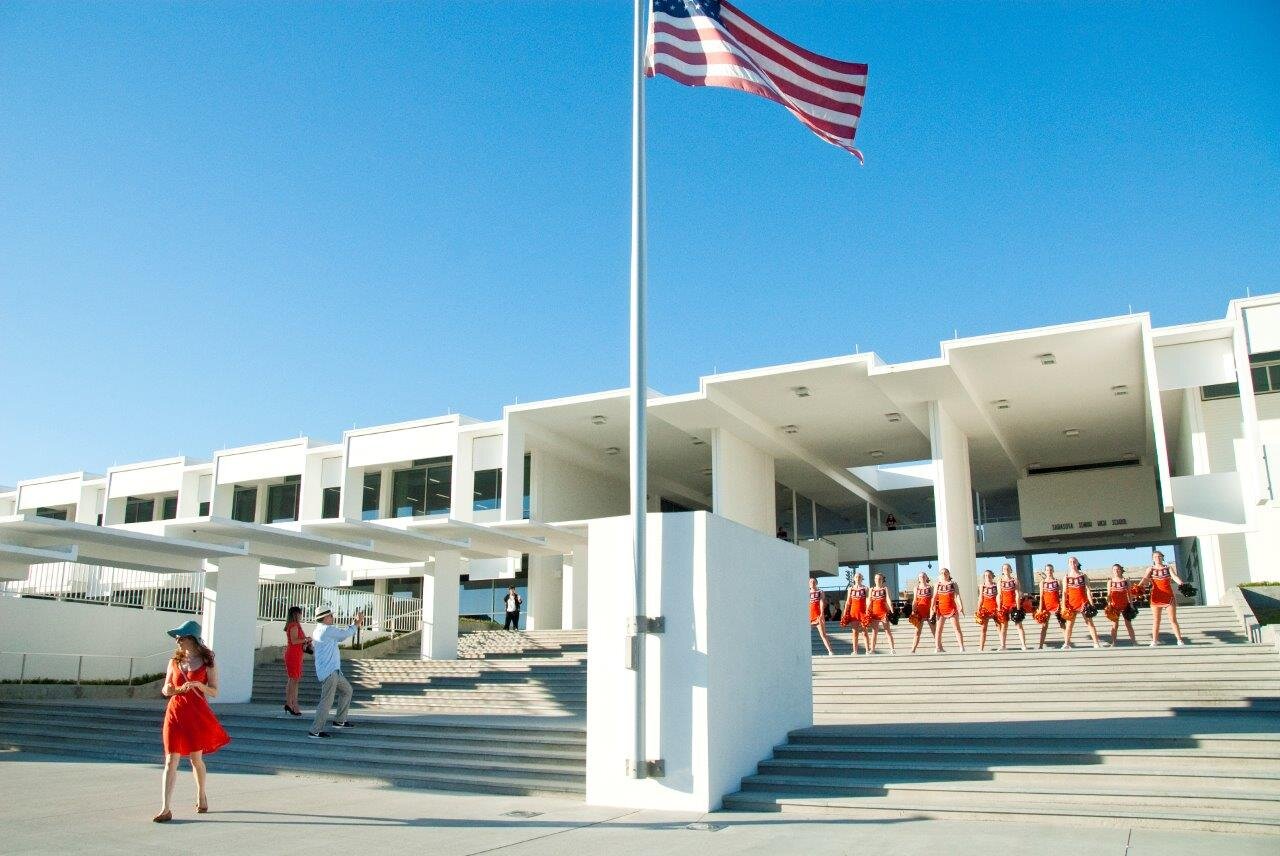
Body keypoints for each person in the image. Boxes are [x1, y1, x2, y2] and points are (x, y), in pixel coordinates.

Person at [154, 620, 230, 823]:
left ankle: (201, 794)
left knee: (196, 759)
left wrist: (199, 685)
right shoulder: (174, 661)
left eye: (182, 637)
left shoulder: (208, 662)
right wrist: (168, 690)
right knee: (171, 760)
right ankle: (165, 808)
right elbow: (165, 688)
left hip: (196, 713)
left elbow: (214, 691)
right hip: (175, 712)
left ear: (193, 639)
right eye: (177, 637)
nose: (177, 640)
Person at [309, 605, 364, 738]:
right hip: (330, 673)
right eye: (331, 616)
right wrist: (357, 622)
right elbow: (345, 634)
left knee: (347, 691)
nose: (333, 617)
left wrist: (354, 624)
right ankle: (315, 730)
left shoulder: (319, 630)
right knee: (326, 701)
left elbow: (341, 636)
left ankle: (339, 721)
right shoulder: (327, 630)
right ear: (326, 617)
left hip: (333, 671)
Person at [1140, 550, 1185, 646]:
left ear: (1162, 557)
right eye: (1155, 557)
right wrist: (1137, 587)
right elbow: (1144, 579)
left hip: (1168, 596)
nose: (1157, 558)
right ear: (1153, 559)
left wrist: (1182, 584)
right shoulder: (1150, 569)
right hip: (1156, 597)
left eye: (1159, 556)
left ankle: (1179, 640)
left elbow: (1174, 577)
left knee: (1173, 619)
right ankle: (1154, 640)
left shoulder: (1168, 568)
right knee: (1156, 620)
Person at [1061, 556, 1103, 650]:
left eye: (1074, 561)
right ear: (1068, 564)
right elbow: (1064, 592)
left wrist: (1091, 604)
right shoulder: (1066, 577)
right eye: (1071, 562)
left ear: (1077, 563)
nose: (1073, 563)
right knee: (1069, 625)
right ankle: (1067, 643)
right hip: (1071, 604)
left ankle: (1096, 643)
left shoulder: (1083, 575)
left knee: (1090, 623)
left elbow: (1088, 589)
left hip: (1083, 603)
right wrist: (1063, 605)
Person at [931, 568, 966, 653]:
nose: (944, 574)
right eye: (942, 573)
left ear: (949, 574)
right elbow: (935, 597)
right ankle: (937, 647)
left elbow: (957, 596)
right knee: (938, 629)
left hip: (952, 609)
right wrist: (932, 607)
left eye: (946, 572)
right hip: (941, 609)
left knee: (957, 628)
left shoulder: (953, 584)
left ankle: (961, 647)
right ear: (940, 575)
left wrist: (961, 606)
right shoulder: (937, 584)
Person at [1104, 563, 1139, 647]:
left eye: (1118, 569)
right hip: (1114, 606)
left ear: (1121, 570)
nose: (1116, 571)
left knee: (1128, 624)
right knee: (1115, 625)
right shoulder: (1110, 581)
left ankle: (1134, 642)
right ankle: (1113, 642)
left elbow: (1129, 594)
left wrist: (1131, 604)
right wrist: (1109, 605)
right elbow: (1109, 594)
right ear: (1112, 571)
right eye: (1114, 570)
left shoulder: (1125, 580)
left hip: (1125, 605)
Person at [996, 563, 1028, 652]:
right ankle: (1003, 645)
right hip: (1004, 606)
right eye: (1004, 568)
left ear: (1011, 570)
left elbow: (1017, 593)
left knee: (1019, 625)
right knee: (1004, 626)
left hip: (1014, 605)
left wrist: (1018, 608)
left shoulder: (1015, 580)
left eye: (1007, 568)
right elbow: (999, 595)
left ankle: (1023, 645)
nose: (1006, 570)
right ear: (1002, 571)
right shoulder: (1000, 581)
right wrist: (999, 607)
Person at [282, 605, 307, 716]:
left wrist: (305, 642)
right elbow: (294, 640)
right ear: (296, 614)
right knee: (294, 680)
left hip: (297, 654)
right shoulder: (294, 625)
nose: (301, 615)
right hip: (293, 655)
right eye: (300, 613)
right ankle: (292, 704)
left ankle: (291, 704)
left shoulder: (295, 625)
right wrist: (306, 639)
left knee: (294, 679)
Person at [866, 573, 897, 655]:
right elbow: (869, 601)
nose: (878, 580)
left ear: (882, 580)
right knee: (874, 632)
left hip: (884, 613)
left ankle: (892, 649)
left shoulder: (885, 588)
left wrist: (892, 610)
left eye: (880, 579)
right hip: (874, 613)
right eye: (876, 579)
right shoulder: (871, 589)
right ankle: (872, 650)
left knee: (887, 631)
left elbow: (888, 599)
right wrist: (867, 611)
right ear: (874, 580)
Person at [839, 572, 869, 655]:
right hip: (853, 612)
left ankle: (867, 650)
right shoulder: (850, 589)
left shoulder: (865, 588)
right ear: (854, 579)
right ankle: (855, 651)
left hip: (863, 612)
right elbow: (848, 601)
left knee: (864, 632)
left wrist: (868, 611)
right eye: (856, 577)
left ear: (862, 578)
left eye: (859, 577)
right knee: (855, 632)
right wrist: (844, 612)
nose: (858, 578)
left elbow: (867, 600)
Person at [1034, 564, 1063, 650]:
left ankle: (1066, 642)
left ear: (1053, 571)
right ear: (1045, 571)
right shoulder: (1042, 583)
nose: (1049, 572)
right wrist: (1040, 609)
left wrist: (1062, 605)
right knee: (1044, 626)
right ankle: (1040, 645)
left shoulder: (1058, 581)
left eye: (1050, 570)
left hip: (1057, 605)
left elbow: (1061, 594)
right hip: (1046, 606)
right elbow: (1041, 596)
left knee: (1062, 624)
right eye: (1047, 570)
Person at [907, 571, 934, 654]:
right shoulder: (916, 588)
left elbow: (933, 599)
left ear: (926, 577)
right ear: (918, 579)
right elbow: (915, 600)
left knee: (934, 631)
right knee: (917, 631)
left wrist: (933, 611)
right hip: (919, 611)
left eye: (923, 576)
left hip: (929, 611)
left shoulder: (931, 587)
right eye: (920, 576)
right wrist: (913, 610)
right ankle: (913, 649)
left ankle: (939, 647)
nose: (922, 577)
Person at [975, 570, 1001, 652]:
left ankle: (1002, 645)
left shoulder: (996, 585)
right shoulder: (982, 586)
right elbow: (980, 598)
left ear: (992, 576)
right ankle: (981, 647)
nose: (987, 577)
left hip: (995, 608)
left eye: (989, 575)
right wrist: (978, 609)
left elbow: (999, 596)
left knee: (999, 627)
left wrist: (999, 607)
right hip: (985, 609)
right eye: (985, 575)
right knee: (983, 629)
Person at [808, 577, 834, 655]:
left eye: (813, 582)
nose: (812, 583)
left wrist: (821, 614)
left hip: (818, 616)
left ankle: (830, 651)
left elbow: (822, 602)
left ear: (816, 583)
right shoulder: (807, 592)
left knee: (823, 634)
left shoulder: (820, 592)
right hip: (809, 616)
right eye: (810, 582)